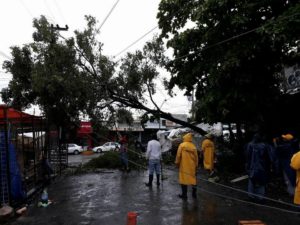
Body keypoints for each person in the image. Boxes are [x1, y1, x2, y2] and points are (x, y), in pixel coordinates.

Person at [245, 133, 277, 203]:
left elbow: (247, 157)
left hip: (252, 167)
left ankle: (251, 196)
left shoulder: (250, 145)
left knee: (252, 181)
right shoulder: (266, 146)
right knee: (261, 183)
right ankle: (259, 197)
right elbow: (271, 158)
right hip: (262, 168)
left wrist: (247, 167)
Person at [175, 133, 198, 200]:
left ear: (185, 138)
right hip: (192, 166)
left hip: (183, 166)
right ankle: (194, 194)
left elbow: (178, 155)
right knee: (193, 180)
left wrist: (177, 163)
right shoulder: (193, 146)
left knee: (183, 180)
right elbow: (196, 158)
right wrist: (196, 166)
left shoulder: (182, 145)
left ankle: (184, 195)